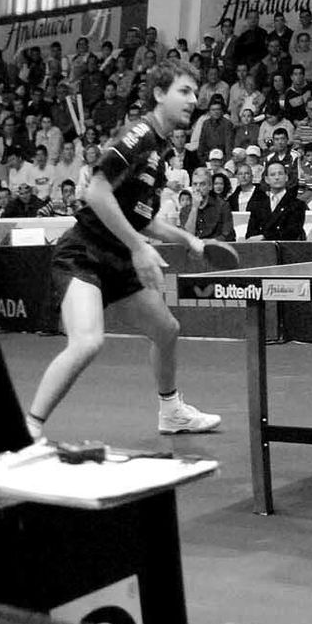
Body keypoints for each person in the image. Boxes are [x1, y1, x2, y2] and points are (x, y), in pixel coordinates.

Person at [23, 60, 221, 438]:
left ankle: (172, 412)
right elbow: (95, 192)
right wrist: (138, 249)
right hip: (84, 253)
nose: (193, 100)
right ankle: (29, 428)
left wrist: (188, 239)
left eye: (195, 93)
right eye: (184, 91)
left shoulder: (161, 152)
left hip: (119, 256)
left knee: (166, 330)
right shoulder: (139, 134)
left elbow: (140, 218)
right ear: (160, 94)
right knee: (87, 342)